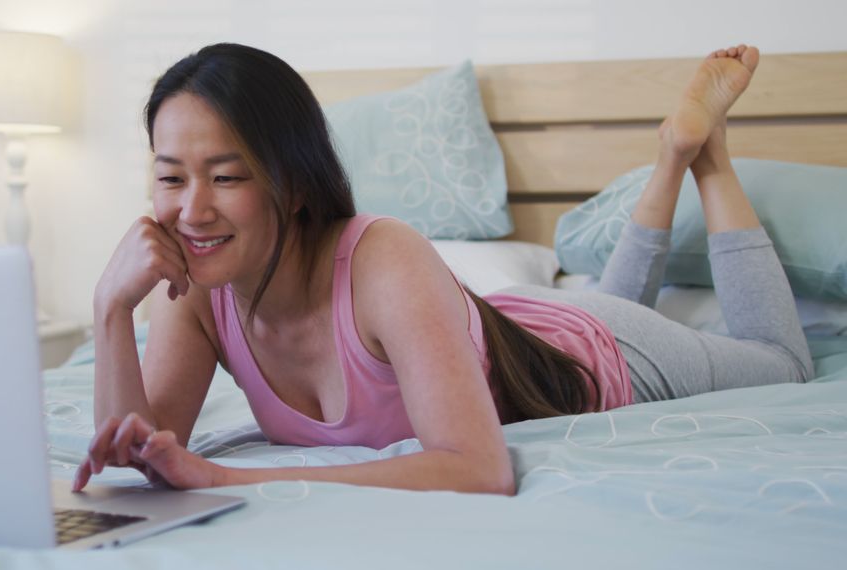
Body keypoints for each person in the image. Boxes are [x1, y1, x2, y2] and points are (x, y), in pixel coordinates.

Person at [73, 43, 813, 496]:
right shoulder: (195, 284)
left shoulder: (382, 257)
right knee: (607, 298)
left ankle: (704, 157)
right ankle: (671, 157)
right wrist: (110, 309)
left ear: (291, 183)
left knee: (780, 362)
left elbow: (476, 469)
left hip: (591, 351)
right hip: (500, 329)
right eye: (171, 178)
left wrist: (228, 477)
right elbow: (136, 453)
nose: (192, 210)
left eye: (227, 177)